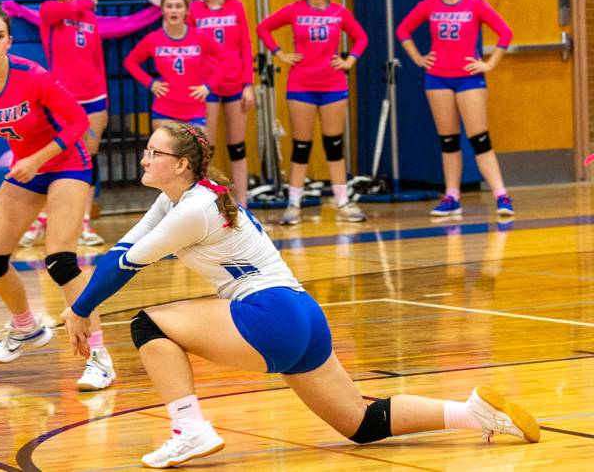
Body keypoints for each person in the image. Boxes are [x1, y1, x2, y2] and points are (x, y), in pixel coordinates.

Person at [60, 122, 539, 468]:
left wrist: (81, 309)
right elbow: (124, 249)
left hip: (270, 314)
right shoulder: (179, 199)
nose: (144, 159)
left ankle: (189, 429)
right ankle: (472, 412)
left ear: (180, 164)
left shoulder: (195, 209)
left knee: (148, 323)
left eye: (153, 153)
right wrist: (81, 306)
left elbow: (126, 264)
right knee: (361, 424)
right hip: (301, 314)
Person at [0, 5, 115, 390]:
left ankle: (99, 357)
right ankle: (27, 327)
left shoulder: (34, 76)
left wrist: (36, 159)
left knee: (60, 261)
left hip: (65, 165)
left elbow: (79, 123)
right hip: (27, 170)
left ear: (9, 41)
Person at [396, 0, 514, 217]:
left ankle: (502, 196)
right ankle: (452, 197)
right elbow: (403, 30)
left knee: (480, 140)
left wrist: (489, 63)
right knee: (449, 141)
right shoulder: (429, 5)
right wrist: (418, 58)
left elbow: (505, 33)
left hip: (469, 78)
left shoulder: (475, 3)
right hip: (437, 79)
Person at [257, 0, 368, 225]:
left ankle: (343, 201)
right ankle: (293, 204)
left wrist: (350, 60)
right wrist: (280, 53)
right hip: (301, 86)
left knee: (334, 145)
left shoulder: (339, 12)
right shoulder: (295, 10)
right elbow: (263, 28)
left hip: (333, 85)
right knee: (301, 146)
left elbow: (361, 38)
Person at [20, 0, 108, 248]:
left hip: (94, 97)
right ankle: (41, 220)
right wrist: (87, 2)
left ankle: (84, 223)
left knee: (89, 159)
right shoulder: (49, 12)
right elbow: (64, 10)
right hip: (64, 99)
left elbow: (97, 59)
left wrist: (104, 96)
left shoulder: (90, 18)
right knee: (55, 157)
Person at [188, 0, 255, 206]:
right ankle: (208, 204)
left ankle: (243, 204)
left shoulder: (236, 7)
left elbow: (245, 47)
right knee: (208, 148)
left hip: (235, 84)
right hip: (207, 86)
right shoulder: (194, 9)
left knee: (237, 146)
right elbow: (190, 47)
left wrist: (248, 84)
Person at [124, 0, 227, 132]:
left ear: (186, 11)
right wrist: (151, 83)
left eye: (178, 6)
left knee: (196, 153)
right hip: (164, 109)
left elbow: (225, 59)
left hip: (194, 109)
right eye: (169, 6)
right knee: (166, 153)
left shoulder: (200, 37)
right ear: (162, 10)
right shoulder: (153, 39)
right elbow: (130, 62)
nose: (174, 10)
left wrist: (209, 86)